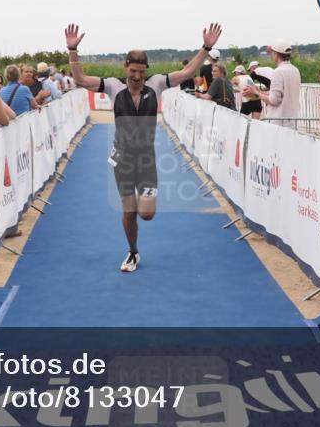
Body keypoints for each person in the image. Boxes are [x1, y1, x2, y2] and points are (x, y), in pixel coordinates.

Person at [65, 22, 222, 273]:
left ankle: (140, 204)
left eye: (140, 72)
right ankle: (132, 252)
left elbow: (188, 71)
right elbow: (81, 79)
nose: (137, 77)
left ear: (145, 70)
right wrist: (72, 50)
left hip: (146, 159)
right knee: (129, 211)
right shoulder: (113, 86)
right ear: (125, 68)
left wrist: (205, 47)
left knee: (146, 214)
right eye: (132, 72)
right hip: (123, 159)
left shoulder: (157, 83)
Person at [243, 39, 300, 122]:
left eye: (272, 52)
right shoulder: (295, 70)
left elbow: (274, 100)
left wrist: (256, 93)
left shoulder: (278, 71)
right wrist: (259, 91)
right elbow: (282, 97)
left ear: (276, 54)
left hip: (278, 121)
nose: (272, 55)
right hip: (292, 120)